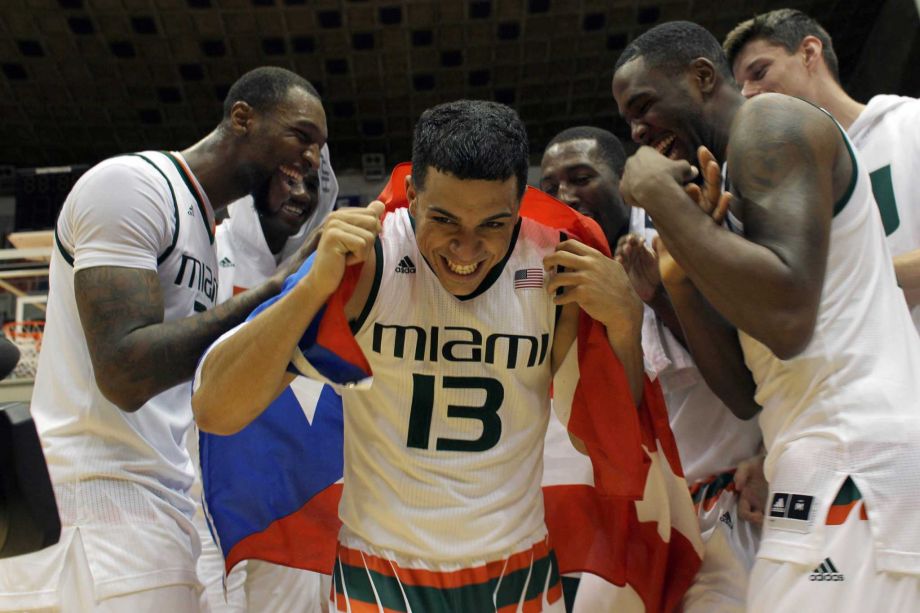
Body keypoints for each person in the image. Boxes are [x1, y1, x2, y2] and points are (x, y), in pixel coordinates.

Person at [192, 100, 647, 612]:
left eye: (494, 225)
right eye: (445, 220)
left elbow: (604, 440)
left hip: (517, 575)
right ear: (410, 196)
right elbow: (216, 410)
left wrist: (626, 323)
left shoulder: (556, 265)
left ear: (523, 202)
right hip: (379, 576)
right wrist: (310, 288)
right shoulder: (368, 258)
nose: (467, 249)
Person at [612, 20, 920, 612]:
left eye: (644, 106)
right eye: (628, 119)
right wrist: (680, 270)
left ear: (702, 77)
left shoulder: (770, 124)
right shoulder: (729, 181)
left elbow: (787, 317)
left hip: (859, 461)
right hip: (814, 462)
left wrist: (665, 204)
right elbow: (746, 393)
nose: (637, 131)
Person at [0, 66, 327, 612]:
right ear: (242, 117)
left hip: (154, 511)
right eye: (301, 136)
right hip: (93, 515)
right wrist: (281, 289)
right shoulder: (132, 186)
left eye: (320, 148)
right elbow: (124, 371)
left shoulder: (199, 224)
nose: (312, 159)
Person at [541, 126, 762, 612]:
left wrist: (658, 297)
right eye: (551, 183)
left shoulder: (682, 236)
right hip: (631, 520)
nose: (565, 194)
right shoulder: (548, 281)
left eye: (581, 177)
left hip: (723, 504)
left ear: (624, 182)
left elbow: (745, 366)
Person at [194, 144, 338, 613]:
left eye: (313, 181)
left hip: (313, 507)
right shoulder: (206, 255)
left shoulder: (337, 270)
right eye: (289, 176)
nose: (302, 192)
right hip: (213, 499)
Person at [723, 8, 920, 332]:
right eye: (741, 87)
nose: (747, 94)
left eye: (759, 72)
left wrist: (847, 280)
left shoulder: (910, 124)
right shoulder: (785, 188)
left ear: (809, 52)